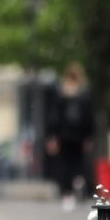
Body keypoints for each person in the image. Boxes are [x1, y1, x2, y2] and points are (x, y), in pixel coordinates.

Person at [46, 63, 95, 211]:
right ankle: (78, 180)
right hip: (79, 135)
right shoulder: (85, 92)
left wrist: (52, 136)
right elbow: (89, 117)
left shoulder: (61, 91)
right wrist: (89, 135)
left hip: (63, 135)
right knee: (78, 161)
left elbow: (55, 116)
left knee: (64, 164)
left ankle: (68, 195)